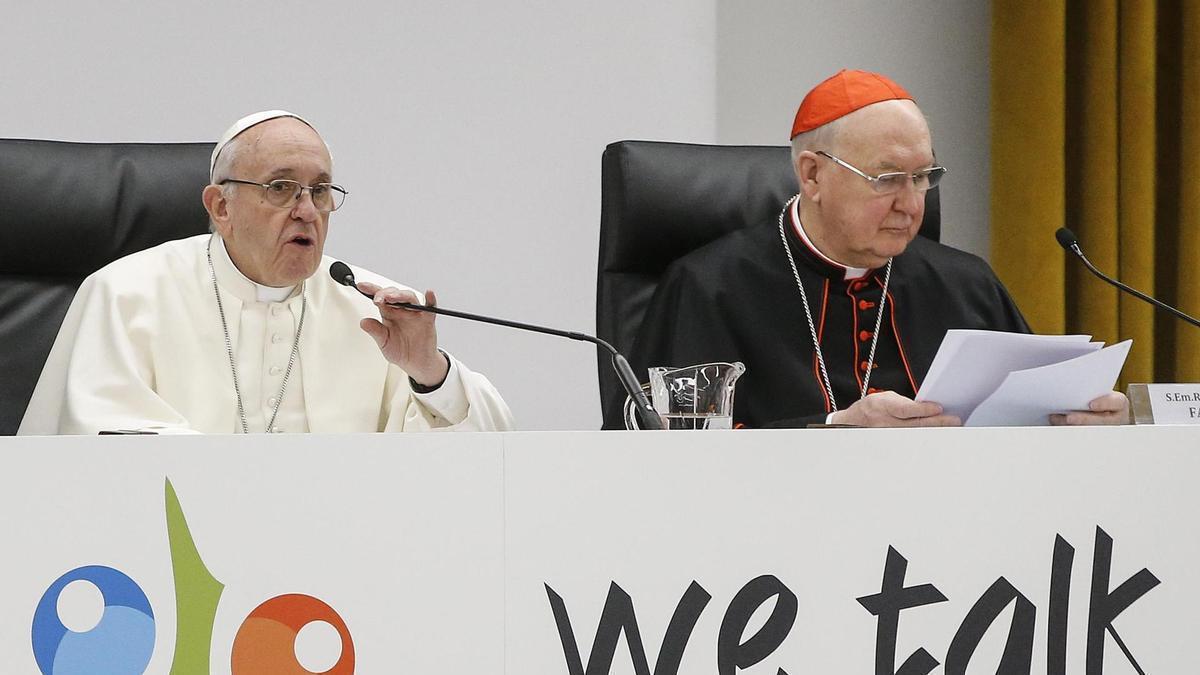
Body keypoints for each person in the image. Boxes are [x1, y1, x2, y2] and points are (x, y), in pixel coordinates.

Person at [625, 70, 1128, 429]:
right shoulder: (710, 286)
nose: (911, 205)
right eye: (887, 180)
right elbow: (659, 452)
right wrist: (832, 429)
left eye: (923, 177)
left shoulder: (967, 283)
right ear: (812, 174)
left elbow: (1033, 421)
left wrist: (1088, 425)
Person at [19, 110, 514, 434]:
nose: (307, 210)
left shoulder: (370, 309)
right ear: (221, 207)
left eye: (321, 191)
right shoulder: (125, 293)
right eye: (281, 187)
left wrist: (428, 371)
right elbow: (99, 445)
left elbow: (489, 450)